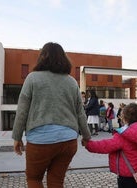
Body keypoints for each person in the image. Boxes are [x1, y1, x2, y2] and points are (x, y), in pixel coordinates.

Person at [12, 42, 91, 188]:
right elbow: (80, 113)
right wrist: (87, 136)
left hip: (39, 140)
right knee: (56, 181)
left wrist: (17, 137)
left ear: (42, 57)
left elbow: (22, 110)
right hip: (68, 140)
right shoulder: (72, 82)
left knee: (34, 179)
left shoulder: (32, 78)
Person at [82, 103, 137, 188]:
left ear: (125, 118)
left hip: (127, 174)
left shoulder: (125, 134)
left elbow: (106, 146)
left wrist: (89, 144)